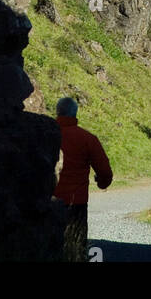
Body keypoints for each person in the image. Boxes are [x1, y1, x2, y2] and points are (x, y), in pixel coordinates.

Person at [52, 97, 113, 261]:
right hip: (75, 203)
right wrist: (101, 183)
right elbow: (105, 172)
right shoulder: (87, 138)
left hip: (47, 202)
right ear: (75, 113)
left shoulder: (46, 134)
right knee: (75, 251)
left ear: (57, 112)